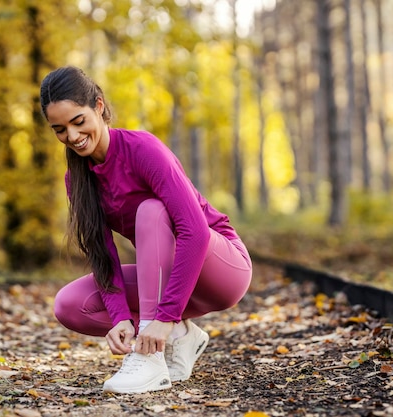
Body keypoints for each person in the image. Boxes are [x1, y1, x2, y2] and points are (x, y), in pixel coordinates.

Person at [40, 66, 252, 394]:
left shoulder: (142, 149)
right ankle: (183, 337)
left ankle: (150, 358)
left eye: (78, 121)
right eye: (59, 129)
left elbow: (194, 231)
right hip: (171, 279)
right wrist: (121, 317)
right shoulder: (78, 180)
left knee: (151, 210)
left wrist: (161, 319)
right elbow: (102, 253)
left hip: (220, 268)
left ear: (98, 106)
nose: (71, 136)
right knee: (70, 304)